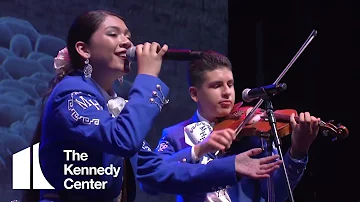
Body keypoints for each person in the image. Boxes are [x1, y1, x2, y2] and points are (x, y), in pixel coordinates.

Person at [21, 10, 282, 202]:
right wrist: (147, 77)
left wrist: (230, 166)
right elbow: (122, 140)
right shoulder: (71, 94)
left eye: (128, 36)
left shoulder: (112, 104)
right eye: (114, 35)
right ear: (84, 50)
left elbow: (153, 169)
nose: (127, 43)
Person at [149, 50, 320, 202]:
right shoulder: (175, 135)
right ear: (195, 94)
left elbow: (274, 195)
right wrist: (198, 150)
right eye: (216, 86)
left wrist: (298, 152)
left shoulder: (254, 135)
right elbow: (153, 179)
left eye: (230, 84)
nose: (227, 92)